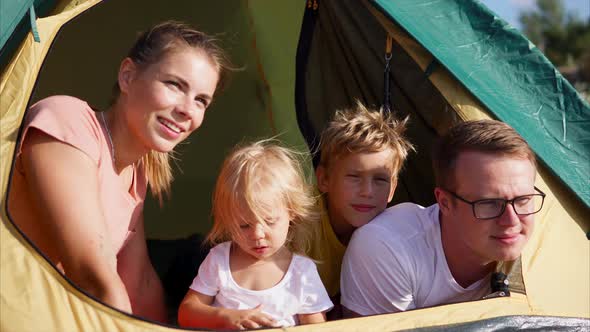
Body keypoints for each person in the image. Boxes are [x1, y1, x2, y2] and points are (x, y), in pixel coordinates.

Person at [8, 21, 233, 322]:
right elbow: (93, 274)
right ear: (127, 76)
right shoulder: (67, 121)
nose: (187, 110)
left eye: (201, 100)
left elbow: (139, 283)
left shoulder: (136, 172)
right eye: (175, 85)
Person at [341, 119, 546, 316]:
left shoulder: (543, 242)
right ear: (445, 203)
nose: (511, 220)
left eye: (523, 200)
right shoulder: (387, 246)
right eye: (489, 203)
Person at [177, 140, 333, 329]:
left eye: (269, 221)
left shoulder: (301, 272)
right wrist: (224, 316)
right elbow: (187, 313)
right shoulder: (220, 261)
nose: (258, 234)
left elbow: (318, 328)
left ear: (291, 212)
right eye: (244, 225)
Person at [307, 101, 414, 316]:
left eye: (380, 180)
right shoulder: (298, 222)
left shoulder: (392, 234)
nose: (367, 191)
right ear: (324, 179)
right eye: (354, 177)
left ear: (392, 189)